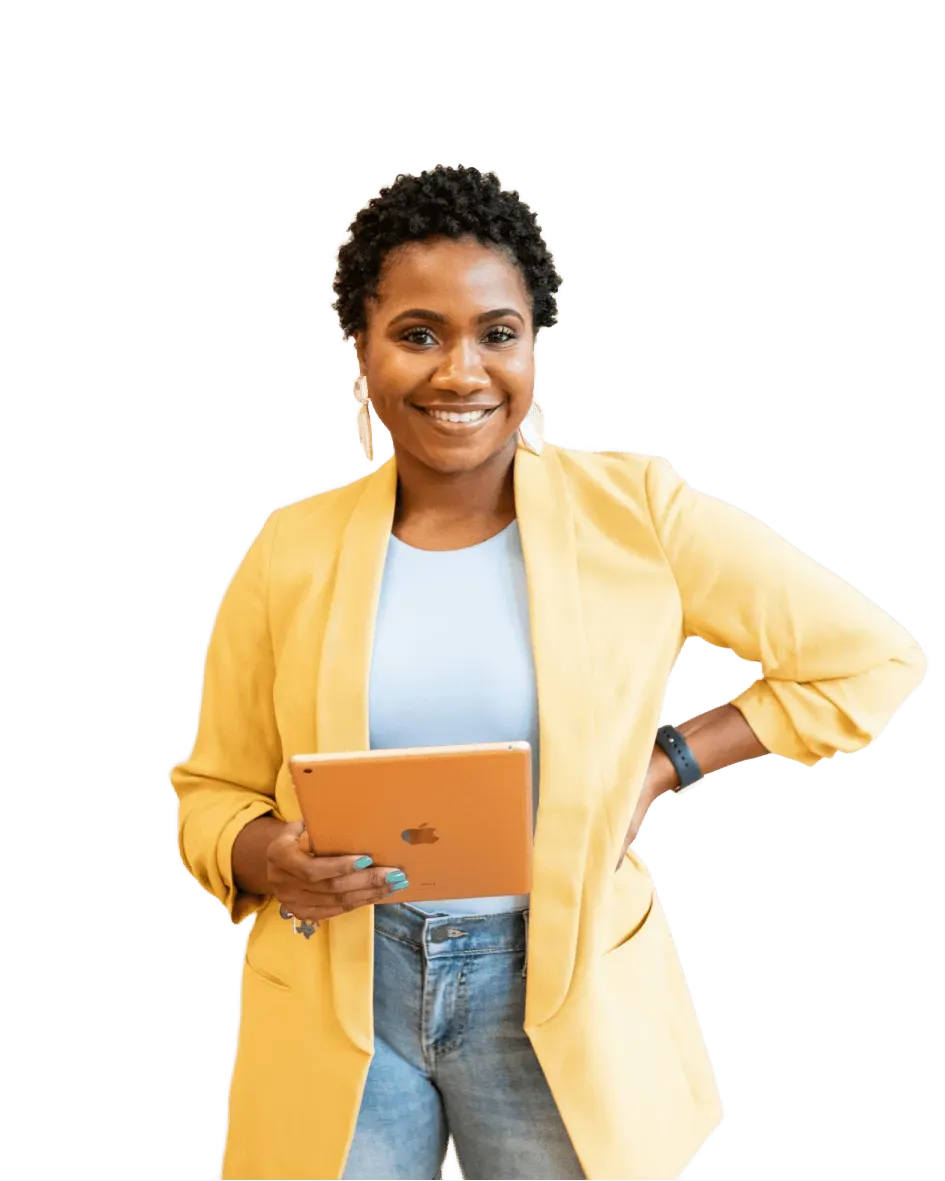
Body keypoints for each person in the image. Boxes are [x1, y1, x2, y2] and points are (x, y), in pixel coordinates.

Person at [169, 165, 926, 1181]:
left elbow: (870, 657)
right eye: (418, 334)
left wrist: (666, 762)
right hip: (342, 985)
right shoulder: (288, 551)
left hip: (558, 990)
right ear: (360, 342)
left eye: (497, 332)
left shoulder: (636, 512)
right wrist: (269, 855)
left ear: (533, 341)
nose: (461, 372)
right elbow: (210, 791)